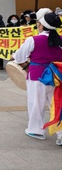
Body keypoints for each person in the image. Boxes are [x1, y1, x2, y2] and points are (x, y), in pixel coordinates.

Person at [12, 10, 62, 144]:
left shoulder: (33, 40)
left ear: (41, 26)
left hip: (37, 76)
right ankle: (61, 134)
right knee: (57, 104)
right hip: (57, 77)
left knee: (36, 103)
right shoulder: (60, 40)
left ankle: (36, 130)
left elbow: (19, 57)